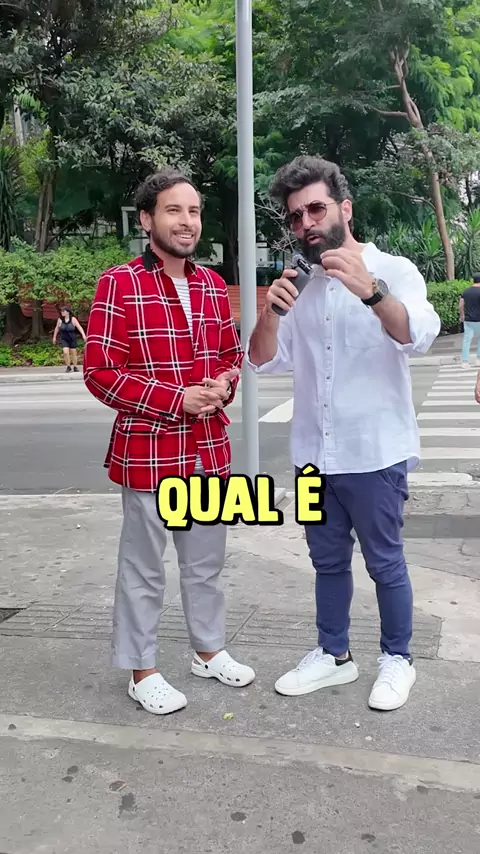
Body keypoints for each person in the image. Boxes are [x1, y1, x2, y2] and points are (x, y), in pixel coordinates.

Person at [247, 155, 441, 712]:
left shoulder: (393, 269)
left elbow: (418, 335)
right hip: (313, 455)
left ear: (344, 209)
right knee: (326, 561)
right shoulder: (297, 288)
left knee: (385, 562)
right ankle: (334, 654)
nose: (306, 223)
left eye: (316, 209)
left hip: (374, 451)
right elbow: (260, 360)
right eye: (295, 216)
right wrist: (269, 314)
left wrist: (371, 292)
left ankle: (397, 659)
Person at [83, 168, 255, 715]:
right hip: (149, 452)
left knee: (206, 562)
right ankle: (142, 671)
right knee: (144, 568)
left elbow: (229, 356)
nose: (187, 221)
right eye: (174, 210)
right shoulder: (119, 284)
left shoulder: (211, 285)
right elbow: (100, 373)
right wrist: (175, 398)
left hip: (209, 448)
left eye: (194, 211)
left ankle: (208, 650)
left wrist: (223, 385)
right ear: (147, 219)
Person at [53, 306, 86, 372]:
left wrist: (83, 335)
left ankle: (75, 366)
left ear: (68, 312)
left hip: (72, 339)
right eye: (61, 311)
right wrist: (54, 337)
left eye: (63, 311)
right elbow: (57, 328)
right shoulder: (60, 320)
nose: (62, 312)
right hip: (64, 339)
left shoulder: (73, 319)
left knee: (73, 353)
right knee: (65, 352)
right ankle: (68, 366)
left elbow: (79, 327)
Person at [459, 273, 480, 367]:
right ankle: (478, 359)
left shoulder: (466, 291)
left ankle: (464, 361)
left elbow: (460, 305)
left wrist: (462, 316)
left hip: (468, 320)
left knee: (467, 340)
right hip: (479, 319)